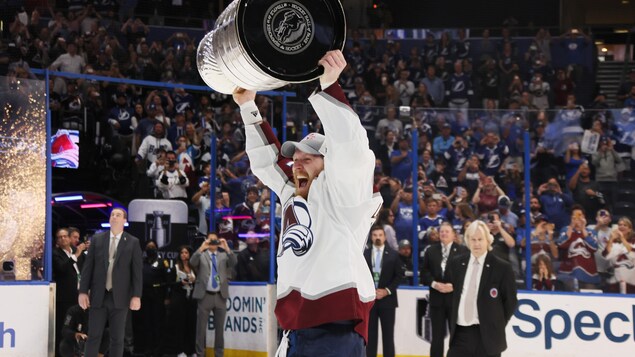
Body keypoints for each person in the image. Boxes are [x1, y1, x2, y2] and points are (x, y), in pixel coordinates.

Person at [233, 50, 382, 355]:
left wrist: (327, 87)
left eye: (308, 159)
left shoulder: (343, 193)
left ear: (329, 164)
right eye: (296, 158)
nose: (297, 164)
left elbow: (352, 149)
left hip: (335, 327)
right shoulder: (293, 193)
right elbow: (266, 162)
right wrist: (248, 105)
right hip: (297, 327)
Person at [446, 220, 518, 357]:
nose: (476, 243)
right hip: (460, 335)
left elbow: (510, 301)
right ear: (467, 240)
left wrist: (496, 323)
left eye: (480, 239)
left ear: (488, 240)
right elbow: (453, 295)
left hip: (488, 337)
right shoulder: (457, 263)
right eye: (473, 239)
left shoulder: (502, 267)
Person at [78, 208, 143, 357]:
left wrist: (136, 295)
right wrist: (82, 291)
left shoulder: (133, 242)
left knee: (117, 339)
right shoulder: (97, 239)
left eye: (118, 215)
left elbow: (137, 272)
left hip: (120, 296)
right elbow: (88, 268)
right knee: (93, 336)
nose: (114, 217)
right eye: (112, 215)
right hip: (98, 295)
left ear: (124, 221)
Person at [421, 222, 469, 357]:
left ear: (453, 234)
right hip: (437, 300)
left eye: (447, 231)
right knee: (436, 336)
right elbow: (424, 273)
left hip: (454, 300)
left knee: (456, 335)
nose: (444, 233)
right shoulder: (431, 250)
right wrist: (434, 284)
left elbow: (466, 274)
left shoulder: (462, 251)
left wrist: (454, 286)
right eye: (441, 231)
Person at [190, 233, 236, 357]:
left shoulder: (223, 256)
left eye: (215, 240)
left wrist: (227, 248)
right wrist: (201, 248)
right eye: (210, 240)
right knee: (201, 329)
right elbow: (192, 262)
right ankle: (200, 354)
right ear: (206, 241)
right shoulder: (202, 255)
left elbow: (234, 262)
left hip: (220, 296)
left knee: (220, 330)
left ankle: (219, 354)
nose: (213, 242)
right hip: (204, 296)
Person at [364, 225, 404, 357]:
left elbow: (399, 276)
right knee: (370, 336)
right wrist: (370, 291)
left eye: (380, 235)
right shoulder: (365, 254)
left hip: (388, 301)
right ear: (371, 237)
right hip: (370, 301)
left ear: (385, 237)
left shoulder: (393, 254)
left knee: (388, 336)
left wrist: (387, 291)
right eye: (375, 235)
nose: (378, 238)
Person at [53, 228, 86, 357]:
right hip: (64, 297)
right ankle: (61, 353)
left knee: (78, 325)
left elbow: (83, 270)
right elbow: (62, 269)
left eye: (65, 236)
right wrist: (75, 256)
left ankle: (78, 352)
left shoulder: (76, 251)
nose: (63, 239)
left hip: (78, 295)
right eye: (60, 237)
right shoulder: (56, 253)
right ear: (57, 240)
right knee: (64, 325)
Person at [171, 246, 197, 357]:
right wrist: (180, 283)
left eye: (186, 252)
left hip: (191, 300)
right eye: (182, 252)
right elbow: (170, 284)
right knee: (180, 326)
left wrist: (194, 280)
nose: (184, 255)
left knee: (191, 326)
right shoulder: (176, 267)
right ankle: (180, 350)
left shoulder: (193, 268)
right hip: (179, 300)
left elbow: (198, 282)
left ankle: (191, 350)